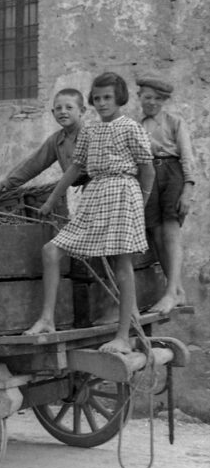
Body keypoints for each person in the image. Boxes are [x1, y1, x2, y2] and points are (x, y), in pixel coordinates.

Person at [25, 72, 155, 354]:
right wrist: (51, 200)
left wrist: (139, 205)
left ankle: (123, 335)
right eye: (97, 98)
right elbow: (75, 168)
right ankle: (46, 319)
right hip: (95, 195)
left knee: (122, 264)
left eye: (107, 97)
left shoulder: (131, 128)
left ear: (119, 98)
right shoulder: (90, 131)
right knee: (51, 250)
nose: (102, 103)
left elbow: (147, 169)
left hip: (123, 193)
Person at [136, 72, 197, 314]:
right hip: (149, 174)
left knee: (171, 231)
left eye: (157, 99)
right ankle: (177, 290)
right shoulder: (138, 125)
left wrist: (188, 189)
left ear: (163, 101)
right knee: (156, 234)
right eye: (147, 98)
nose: (151, 103)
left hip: (173, 174)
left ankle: (171, 293)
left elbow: (187, 156)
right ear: (140, 98)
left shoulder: (174, 122)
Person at [0, 88, 89, 198]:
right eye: (58, 108)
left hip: (101, 187)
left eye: (69, 107)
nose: (63, 112)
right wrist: (4, 185)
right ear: (53, 112)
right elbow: (34, 164)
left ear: (82, 111)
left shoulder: (92, 134)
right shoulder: (56, 140)